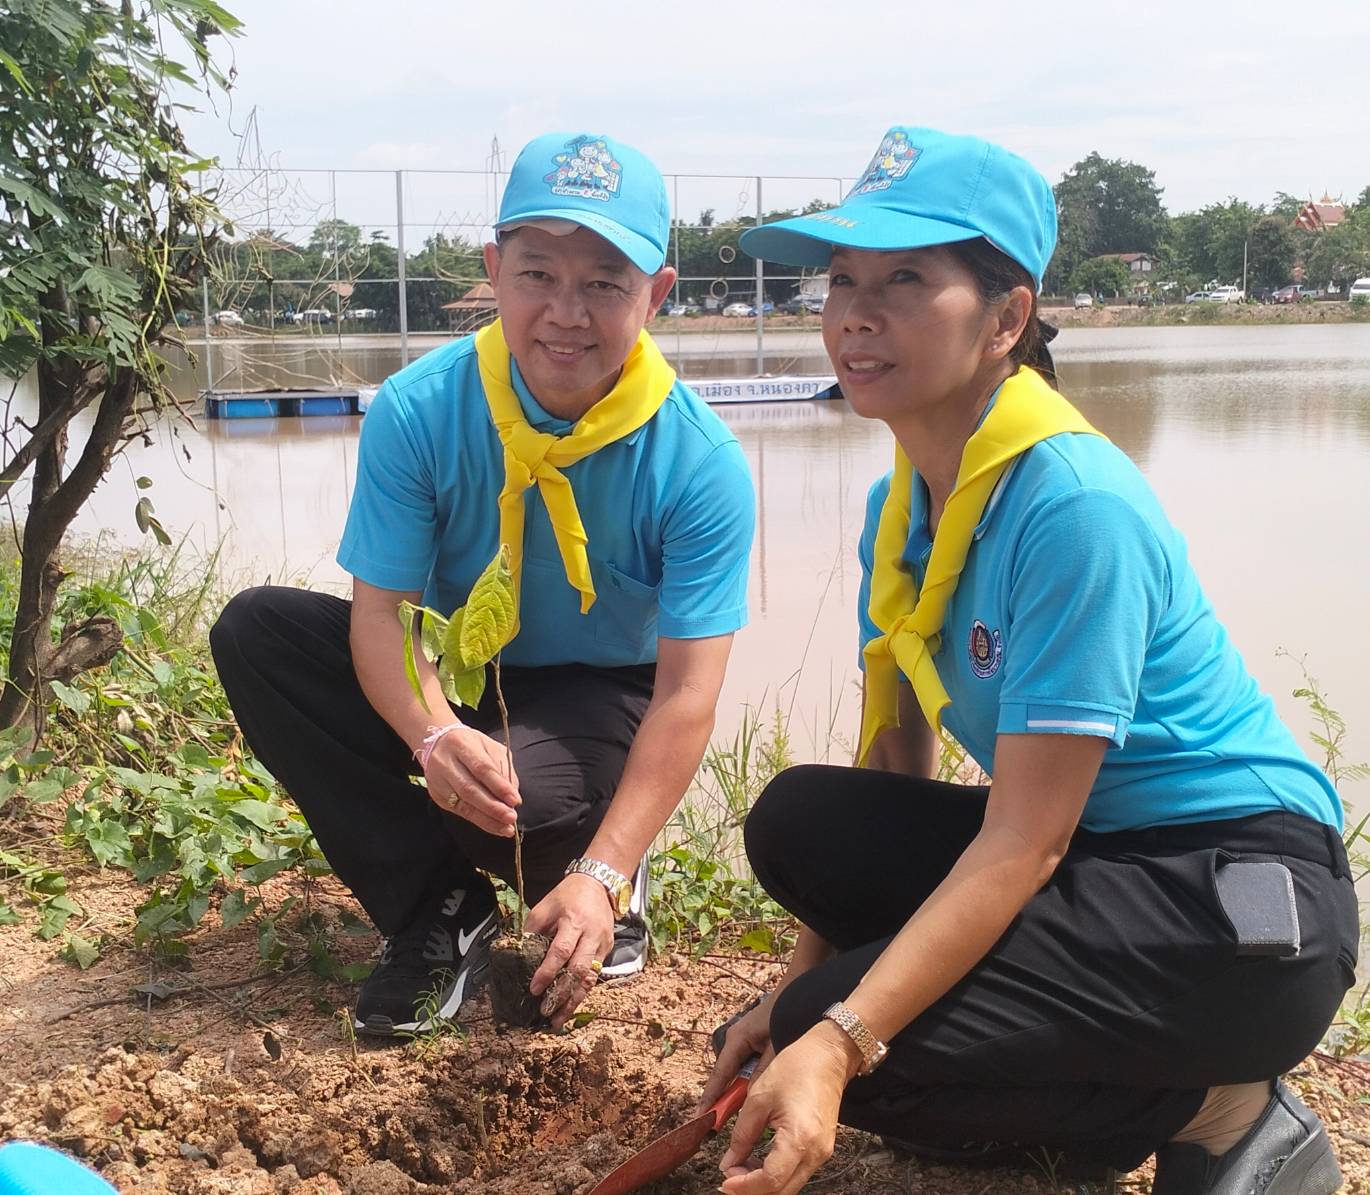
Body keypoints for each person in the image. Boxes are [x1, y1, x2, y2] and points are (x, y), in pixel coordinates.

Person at [702, 126, 1356, 1195]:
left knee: (849, 1055)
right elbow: (891, 771)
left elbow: (1022, 839)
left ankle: (1222, 1103)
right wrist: (797, 990)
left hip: (1232, 903)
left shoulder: (1071, 507)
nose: (855, 314)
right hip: (1099, 864)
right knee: (797, 821)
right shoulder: (900, 506)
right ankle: (1107, 1095)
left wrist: (834, 1034)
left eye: (906, 279)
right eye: (841, 281)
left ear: (1006, 318)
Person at [211, 132, 755, 1037]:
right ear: (495, 270)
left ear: (656, 296)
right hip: (459, 667)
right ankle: (438, 908)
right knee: (256, 634)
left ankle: (605, 869)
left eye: (605, 283)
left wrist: (606, 869)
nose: (566, 314)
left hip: (599, 693)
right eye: (539, 274)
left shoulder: (698, 463)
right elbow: (381, 615)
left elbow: (689, 693)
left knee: (523, 801)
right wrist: (431, 734)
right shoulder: (419, 409)